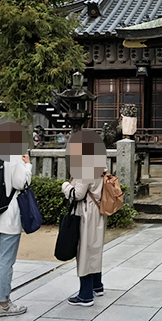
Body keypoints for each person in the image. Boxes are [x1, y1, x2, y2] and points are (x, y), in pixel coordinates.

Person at [0, 122, 32, 317]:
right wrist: (28, 165)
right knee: (6, 261)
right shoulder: (15, 158)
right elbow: (22, 183)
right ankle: (4, 303)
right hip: (9, 216)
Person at [61, 130, 108, 307]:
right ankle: (97, 285)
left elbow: (78, 194)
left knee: (85, 251)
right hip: (97, 211)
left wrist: (65, 186)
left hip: (85, 212)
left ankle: (85, 294)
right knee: (94, 248)